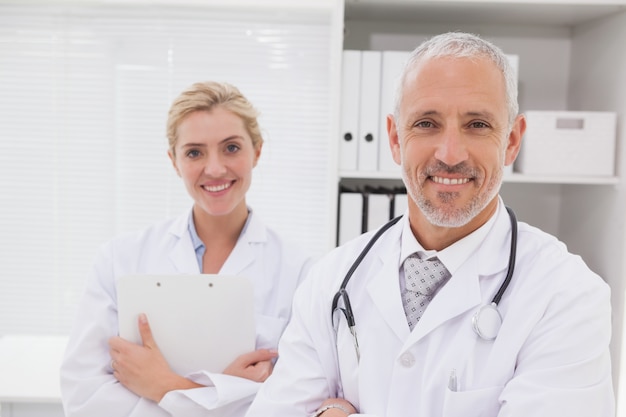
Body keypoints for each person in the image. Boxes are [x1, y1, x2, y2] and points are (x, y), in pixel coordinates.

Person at [245, 32, 615, 417]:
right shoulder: (331, 281)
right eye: (426, 123)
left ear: (511, 141)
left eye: (477, 124)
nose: (450, 154)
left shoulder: (566, 294)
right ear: (394, 139)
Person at [60, 81, 313, 417]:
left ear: (257, 151)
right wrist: (222, 394)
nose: (215, 168)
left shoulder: (301, 271)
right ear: (174, 161)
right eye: (194, 152)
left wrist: (160, 385)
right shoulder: (119, 260)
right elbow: (84, 396)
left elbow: (297, 402)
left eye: (231, 148)